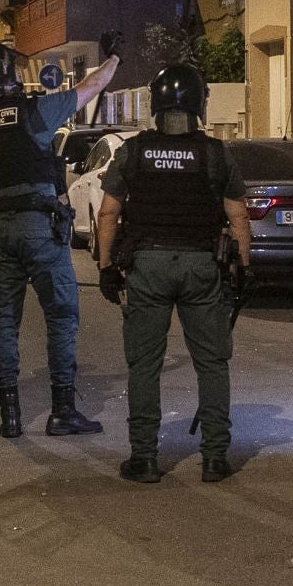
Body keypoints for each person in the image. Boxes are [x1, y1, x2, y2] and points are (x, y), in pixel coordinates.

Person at [0, 33, 121, 438]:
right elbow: (92, 86)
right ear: (4, 78)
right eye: (13, 71)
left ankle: (10, 418)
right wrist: (115, 56)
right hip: (38, 226)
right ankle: (62, 411)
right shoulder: (34, 112)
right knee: (61, 316)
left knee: (5, 321)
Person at [94, 62, 250, 484]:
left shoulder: (132, 152)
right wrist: (243, 269)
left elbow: (108, 213)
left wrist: (106, 268)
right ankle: (214, 458)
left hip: (148, 266)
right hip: (201, 266)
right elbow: (238, 216)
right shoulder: (216, 153)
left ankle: (144, 458)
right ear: (199, 105)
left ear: (156, 105)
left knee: (144, 364)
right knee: (212, 363)